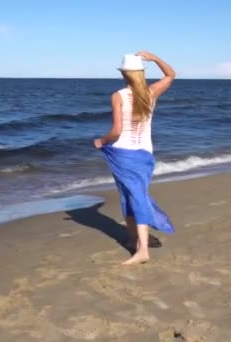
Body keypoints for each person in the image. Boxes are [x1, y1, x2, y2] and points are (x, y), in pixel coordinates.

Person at [93, 51, 176, 265]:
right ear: (140, 73)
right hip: (144, 155)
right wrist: (156, 58)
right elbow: (170, 75)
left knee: (135, 196)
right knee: (132, 194)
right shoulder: (150, 93)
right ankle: (133, 240)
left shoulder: (118, 96)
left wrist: (101, 141)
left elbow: (117, 131)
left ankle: (143, 250)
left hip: (123, 154)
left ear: (124, 74)